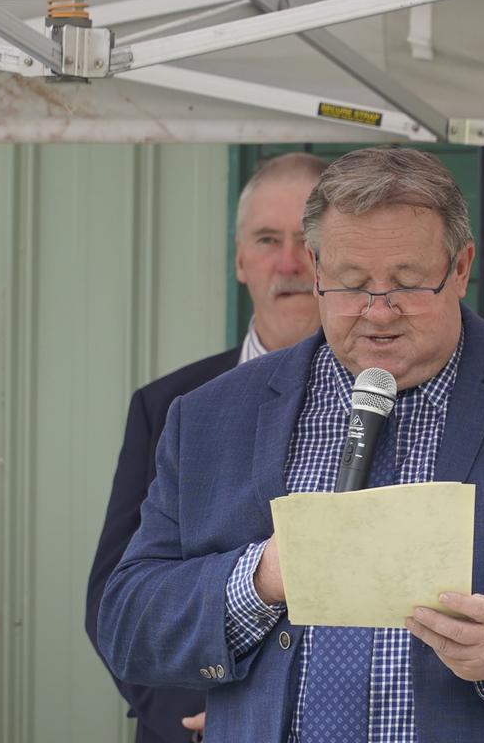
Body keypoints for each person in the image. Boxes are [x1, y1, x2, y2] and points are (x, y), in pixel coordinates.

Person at [97, 146, 484, 742]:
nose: (379, 313)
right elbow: (127, 620)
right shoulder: (209, 416)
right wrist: (261, 579)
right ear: (318, 270)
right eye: (352, 285)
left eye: (407, 283)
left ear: (461, 268)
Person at [85, 152, 326, 743]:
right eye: (268, 239)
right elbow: (117, 593)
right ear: (241, 260)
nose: (289, 262)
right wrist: (192, 715)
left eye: (309, 240)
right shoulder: (172, 404)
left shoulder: (396, 393)